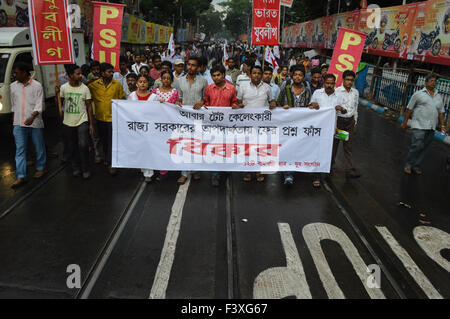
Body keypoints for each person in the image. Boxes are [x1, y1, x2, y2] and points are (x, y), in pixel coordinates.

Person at [276, 65, 318, 186]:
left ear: (304, 77)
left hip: (302, 125)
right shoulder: (286, 88)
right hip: (287, 125)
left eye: (300, 75)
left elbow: (310, 104)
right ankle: (288, 174)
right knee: (288, 148)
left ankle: (301, 168)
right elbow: (277, 104)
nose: (298, 77)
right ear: (292, 76)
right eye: (295, 75)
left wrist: (312, 106)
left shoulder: (307, 89)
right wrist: (282, 108)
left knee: (301, 147)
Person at [234, 65, 276, 183]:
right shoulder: (243, 86)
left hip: (262, 124)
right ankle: (248, 171)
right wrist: (239, 106)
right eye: (254, 73)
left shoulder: (267, 87)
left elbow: (271, 101)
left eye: (259, 73)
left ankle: (258, 170)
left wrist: (273, 103)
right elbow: (238, 102)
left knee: (260, 147)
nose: (256, 75)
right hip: (247, 123)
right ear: (250, 74)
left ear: (262, 75)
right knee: (248, 147)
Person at [10, 62, 47, 188]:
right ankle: (21, 176)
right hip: (19, 123)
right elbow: (13, 105)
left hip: (34, 122)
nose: (15, 75)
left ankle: (41, 168)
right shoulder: (13, 86)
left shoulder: (37, 86)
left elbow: (39, 104)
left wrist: (32, 117)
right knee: (20, 149)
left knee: (39, 146)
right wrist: (14, 121)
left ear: (25, 72)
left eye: (17, 73)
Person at [401, 74, 446, 175]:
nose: (433, 83)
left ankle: (416, 165)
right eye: (431, 81)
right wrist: (405, 122)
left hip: (431, 126)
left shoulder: (438, 96)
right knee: (417, 145)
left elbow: (441, 112)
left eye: (435, 81)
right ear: (426, 83)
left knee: (425, 147)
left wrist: (442, 125)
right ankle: (408, 165)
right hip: (419, 125)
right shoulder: (418, 94)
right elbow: (409, 109)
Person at [310, 74, 348, 187]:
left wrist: (341, 108)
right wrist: (313, 105)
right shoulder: (317, 93)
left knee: (327, 152)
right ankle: (316, 176)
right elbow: (311, 105)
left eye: (332, 83)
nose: (329, 85)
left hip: (331, 129)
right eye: (327, 83)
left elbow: (345, 111)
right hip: (317, 128)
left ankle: (326, 173)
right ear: (324, 83)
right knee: (316, 151)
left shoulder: (339, 97)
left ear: (335, 83)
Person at [175, 56, 208, 185]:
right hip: (184, 117)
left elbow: (206, 98)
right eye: (188, 64)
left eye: (193, 65)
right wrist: (178, 101)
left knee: (197, 144)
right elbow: (179, 97)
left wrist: (201, 102)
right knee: (184, 144)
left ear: (198, 67)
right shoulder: (180, 80)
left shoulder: (203, 81)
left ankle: (195, 170)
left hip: (198, 118)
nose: (190, 67)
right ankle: (184, 173)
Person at [88, 63, 125, 176]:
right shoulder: (93, 85)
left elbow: (122, 99)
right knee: (103, 141)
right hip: (100, 118)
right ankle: (106, 159)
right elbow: (83, 90)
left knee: (112, 141)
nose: (111, 74)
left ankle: (111, 163)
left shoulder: (117, 85)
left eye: (112, 72)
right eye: (109, 72)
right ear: (102, 73)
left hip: (113, 118)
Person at [60, 64, 94, 179]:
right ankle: (76, 167)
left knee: (83, 145)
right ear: (70, 75)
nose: (80, 76)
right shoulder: (64, 88)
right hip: (68, 122)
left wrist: (90, 123)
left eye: (81, 73)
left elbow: (89, 106)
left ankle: (85, 168)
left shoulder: (85, 88)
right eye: (78, 74)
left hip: (82, 121)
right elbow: (60, 101)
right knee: (72, 145)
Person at [334, 70, 361, 178]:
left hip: (350, 121)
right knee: (334, 145)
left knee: (348, 146)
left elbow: (356, 107)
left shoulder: (355, 92)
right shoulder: (337, 92)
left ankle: (350, 169)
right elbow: (334, 109)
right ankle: (329, 166)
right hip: (339, 121)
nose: (349, 82)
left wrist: (355, 121)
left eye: (351, 80)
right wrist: (334, 125)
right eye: (347, 80)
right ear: (343, 80)